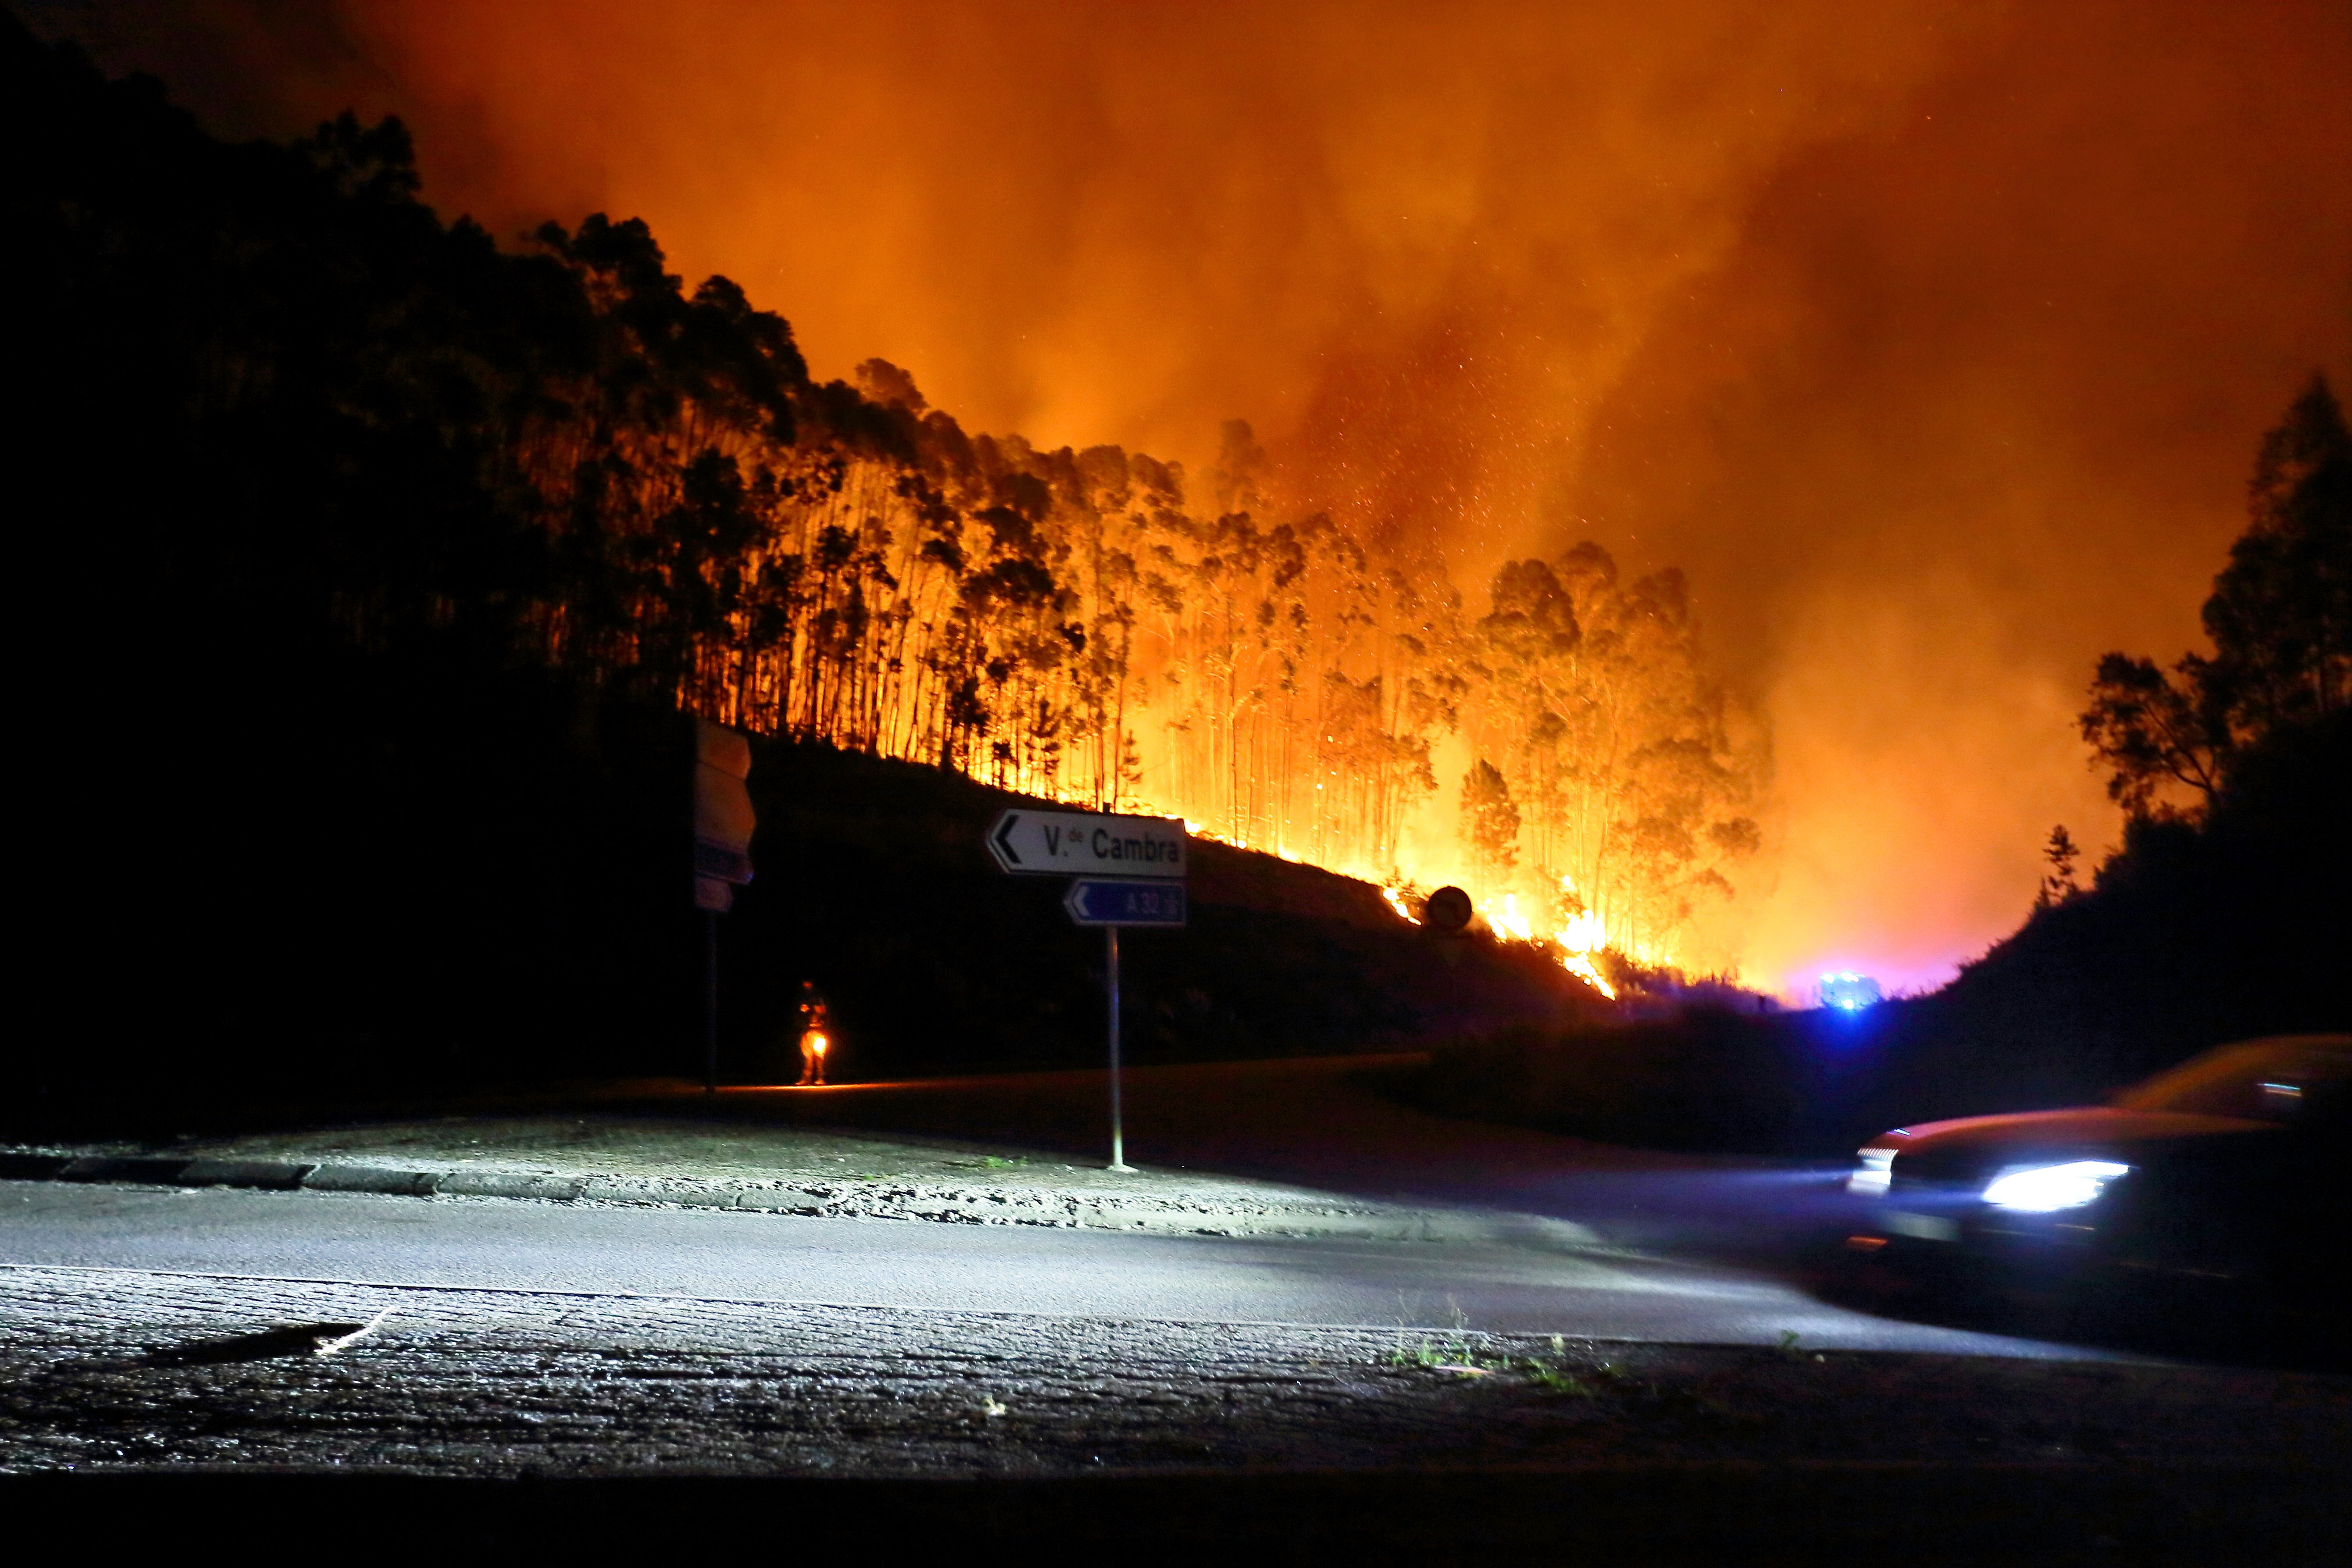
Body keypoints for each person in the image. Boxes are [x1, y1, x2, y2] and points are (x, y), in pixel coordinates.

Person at [795, 981, 832, 1086]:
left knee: (819, 1055)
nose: (807, 987)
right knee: (808, 1057)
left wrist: (822, 1027)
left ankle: (821, 1078)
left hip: (819, 1033)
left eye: (809, 985)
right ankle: (806, 1079)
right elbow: (800, 1018)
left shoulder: (819, 1000)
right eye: (805, 986)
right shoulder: (803, 1000)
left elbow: (825, 1016)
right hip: (808, 1032)